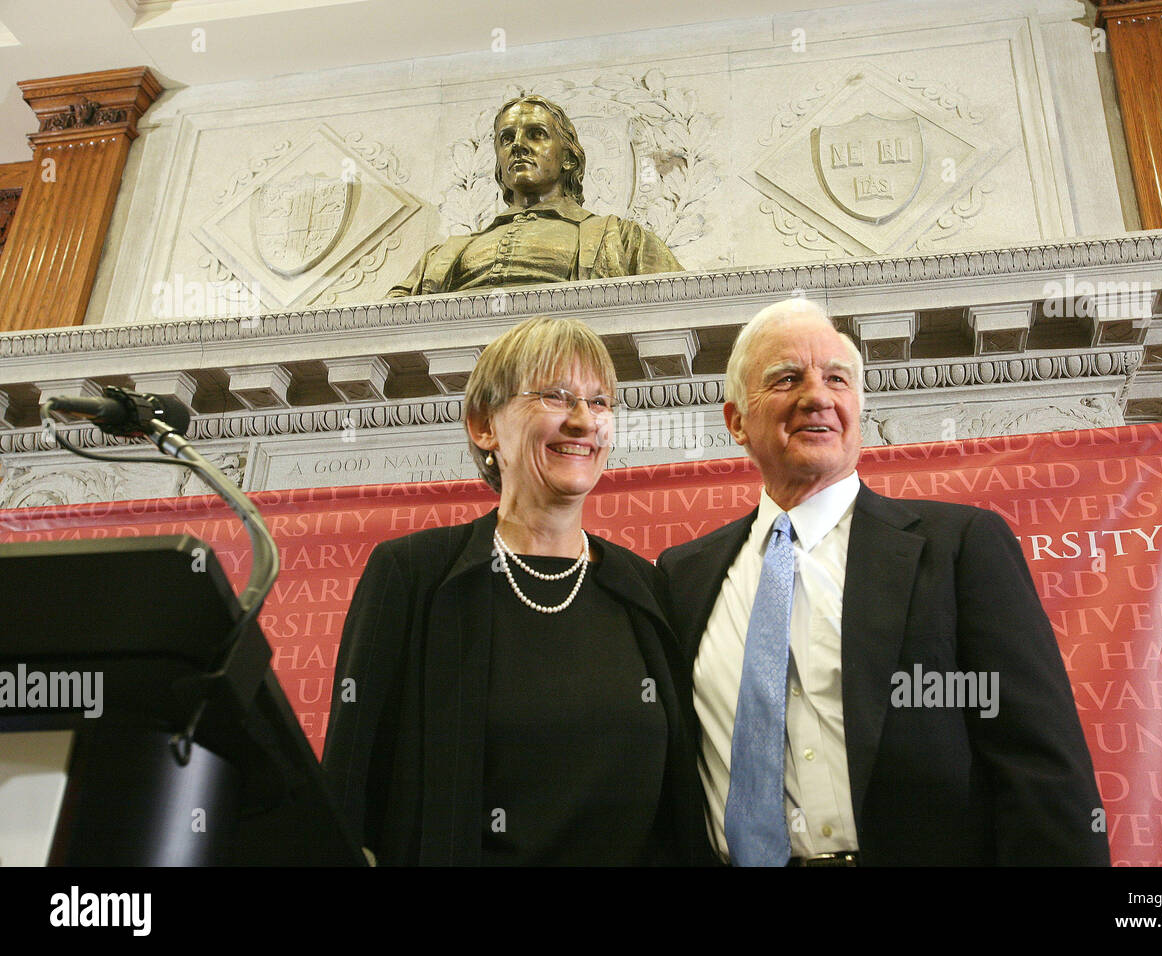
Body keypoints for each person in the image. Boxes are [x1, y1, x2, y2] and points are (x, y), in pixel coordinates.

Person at [657, 298, 1110, 866]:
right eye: (786, 378)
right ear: (735, 421)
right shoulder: (682, 577)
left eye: (837, 379)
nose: (816, 395)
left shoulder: (958, 547)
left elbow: (1044, 770)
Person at [322, 315, 704, 865]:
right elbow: (345, 794)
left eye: (600, 403)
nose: (582, 421)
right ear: (484, 425)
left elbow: (680, 807)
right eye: (555, 396)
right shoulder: (412, 575)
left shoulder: (645, 588)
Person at [386, 94, 682, 296]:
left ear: (568, 158)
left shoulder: (623, 240)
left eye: (536, 134)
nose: (518, 145)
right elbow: (386, 324)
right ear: (500, 166)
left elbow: (682, 302)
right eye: (506, 138)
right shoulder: (445, 254)